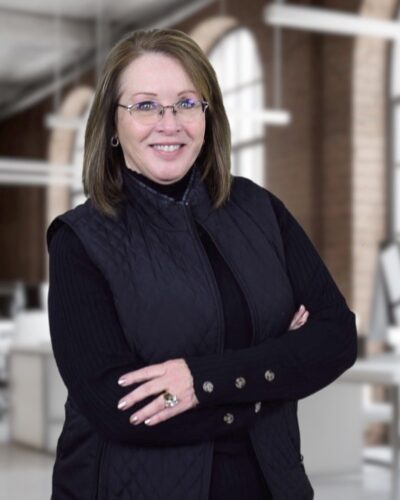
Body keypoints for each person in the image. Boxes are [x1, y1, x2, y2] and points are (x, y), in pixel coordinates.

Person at [46, 28, 357, 500]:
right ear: (112, 125)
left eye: (187, 103)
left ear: (209, 116)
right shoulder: (81, 239)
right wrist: (277, 371)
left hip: (272, 483)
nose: (169, 123)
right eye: (146, 105)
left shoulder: (259, 209)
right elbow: (120, 408)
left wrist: (198, 382)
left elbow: (336, 337)